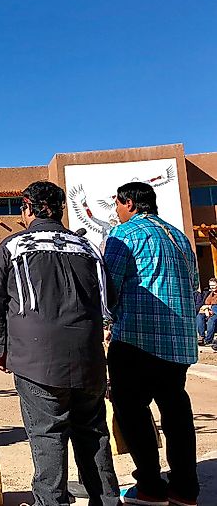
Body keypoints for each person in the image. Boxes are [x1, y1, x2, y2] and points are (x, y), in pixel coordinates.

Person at [0, 181, 119, 506]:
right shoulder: (87, 248)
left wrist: (0, 346)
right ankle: (109, 501)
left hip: (36, 359)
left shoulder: (13, 247)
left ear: (28, 206)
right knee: (94, 435)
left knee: (47, 436)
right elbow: (109, 299)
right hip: (88, 360)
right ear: (60, 210)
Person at [104, 182, 200, 506]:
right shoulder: (181, 238)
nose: (116, 209)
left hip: (137, 337)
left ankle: (150, 485)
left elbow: (108, 288)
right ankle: (186, 489)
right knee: (176, 411)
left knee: (130, 410)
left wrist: (109, 318)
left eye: (117, 203)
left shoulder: (125, 234)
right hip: (179, 343)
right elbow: (195, 287)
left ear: (129, 203)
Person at [195, 277, 217, 347]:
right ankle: (201, 337)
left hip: (215, 312)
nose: (212, 287)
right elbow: (203, 304)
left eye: (213, 285)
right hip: (206, 311)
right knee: (199, 316)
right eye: (210, 286)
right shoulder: (208, 293)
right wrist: (206, 310)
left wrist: (209, 307)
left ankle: (208, 340)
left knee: (212, 319)